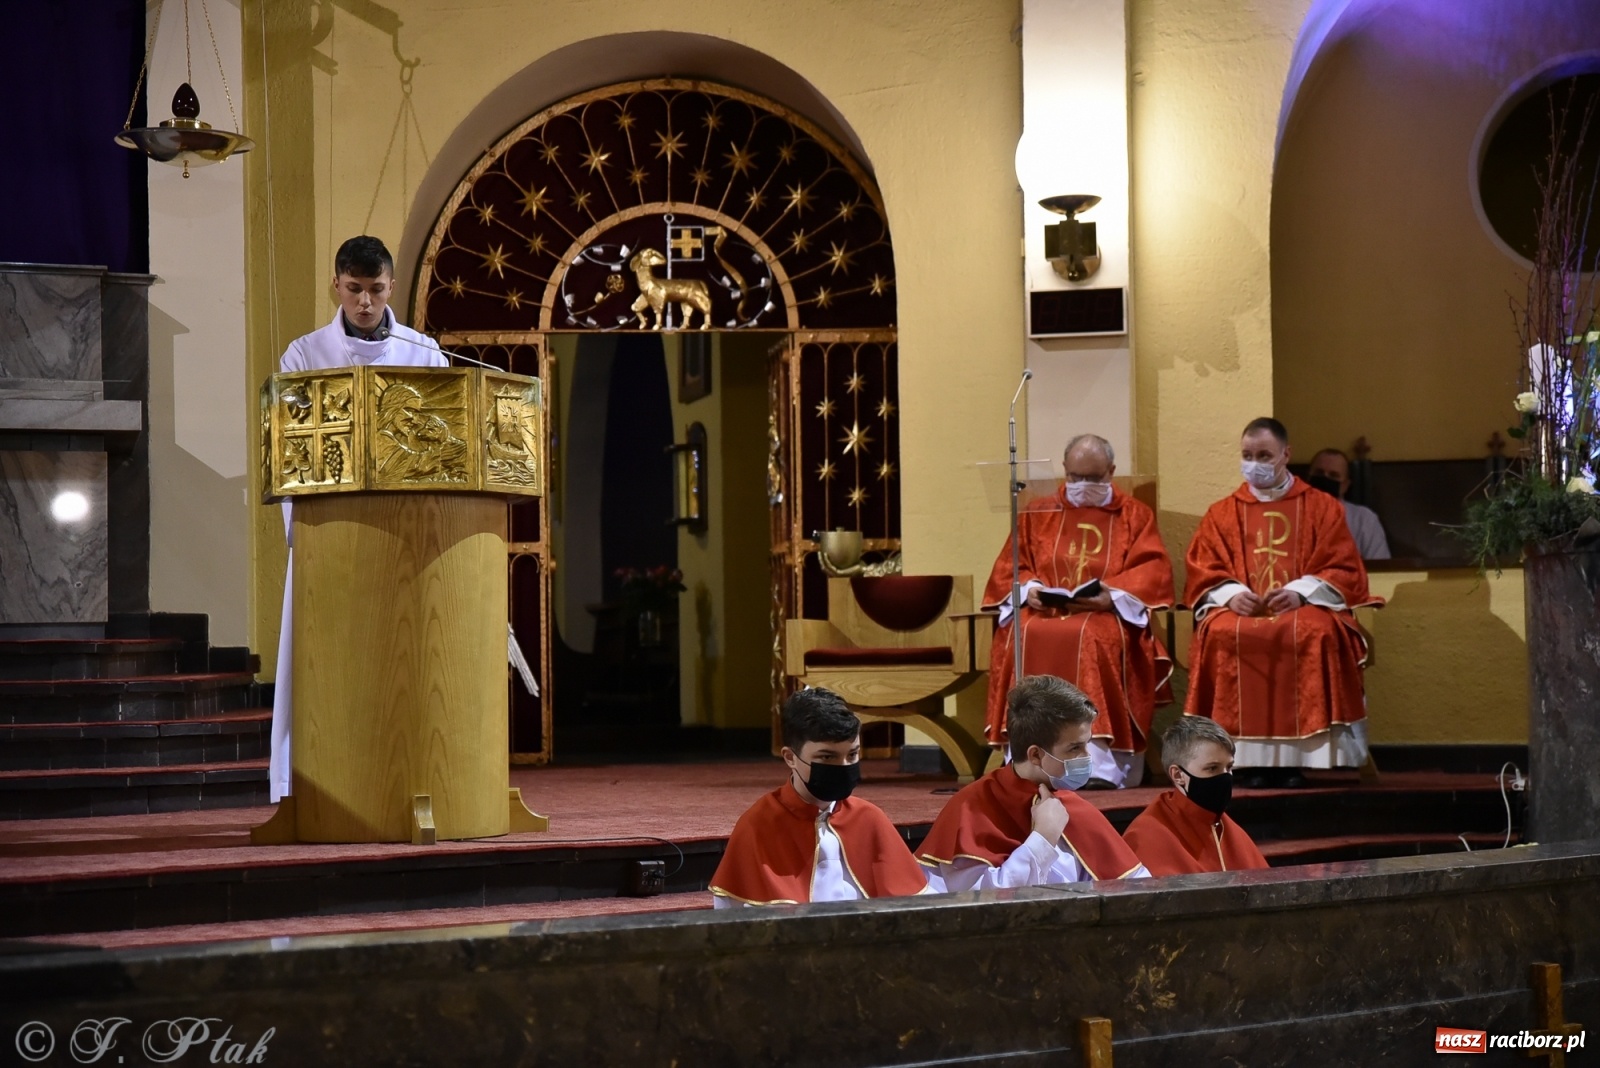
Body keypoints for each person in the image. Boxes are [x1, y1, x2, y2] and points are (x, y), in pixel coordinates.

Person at [268, 236, 446, 803]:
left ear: (391, 287)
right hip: (332, 535)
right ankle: (305, 786)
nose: (365, 302)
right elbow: (293, 451)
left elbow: (444, 450)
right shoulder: (304, 355)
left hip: (406, 533)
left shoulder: (425, 353)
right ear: (336, 286)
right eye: (354, 290)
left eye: (375, 290)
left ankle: (411, 777)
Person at [1183, 417, 1383, 789]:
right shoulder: (1222, 513)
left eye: (1263, 454)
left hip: (1300, 607)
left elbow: (1343, 566)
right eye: (1247, 455)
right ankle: (1240, 760)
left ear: (1286, 455)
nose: (1254, 462)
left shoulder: (1322, 507)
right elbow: (1202, 566)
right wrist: (1230, 594)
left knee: (1317, 631)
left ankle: (1296, 761)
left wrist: (1301, 592)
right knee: (1221, 632)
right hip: (1241, 608)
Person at [982, 434, 1175, 788]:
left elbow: (1152, 570)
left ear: (1111, 472)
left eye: (1094, 479)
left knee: (1089, 635)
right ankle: (1026, 759)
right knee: (1024, 631)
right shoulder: (1038, 512)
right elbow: (1011, 566)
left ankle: (1099, 765)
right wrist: (1031, 589)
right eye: (1075, 477)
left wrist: (1113, 595)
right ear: (1065, 471)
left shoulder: (1134, 515)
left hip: (1103, 615)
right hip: (1044, 613)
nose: (1083, 486)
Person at [917, 675, 1150, 889]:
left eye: (1087, 744)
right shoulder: (972, 808)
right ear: (1036, 755)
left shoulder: (1072, 804)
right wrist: (1043, 838)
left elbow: (1137, 884)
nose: (1088, 757)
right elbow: (981, 902)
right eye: (1075, 748)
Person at [709, 687, 934, 907]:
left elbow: (916, 906)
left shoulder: (869, 818)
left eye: (852, 755)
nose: (843, 766)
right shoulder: (759, 824)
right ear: (790, 758)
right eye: (827, 757)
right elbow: (733, 919)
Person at [1122, 716, 1269, 876]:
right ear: (1178, 775)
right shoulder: (1147, 835)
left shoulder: (1223, 824)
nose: (1225, 777)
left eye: (1229, 767)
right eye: (1212, 768)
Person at [1306, 448, 1391, 561]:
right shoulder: (1289, 514)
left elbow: (1381, 567)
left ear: (1345, 485)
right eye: (1319, 473)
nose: (1325, 479)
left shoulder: (1364, 520)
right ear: (1308, 478)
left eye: (1333, 475)